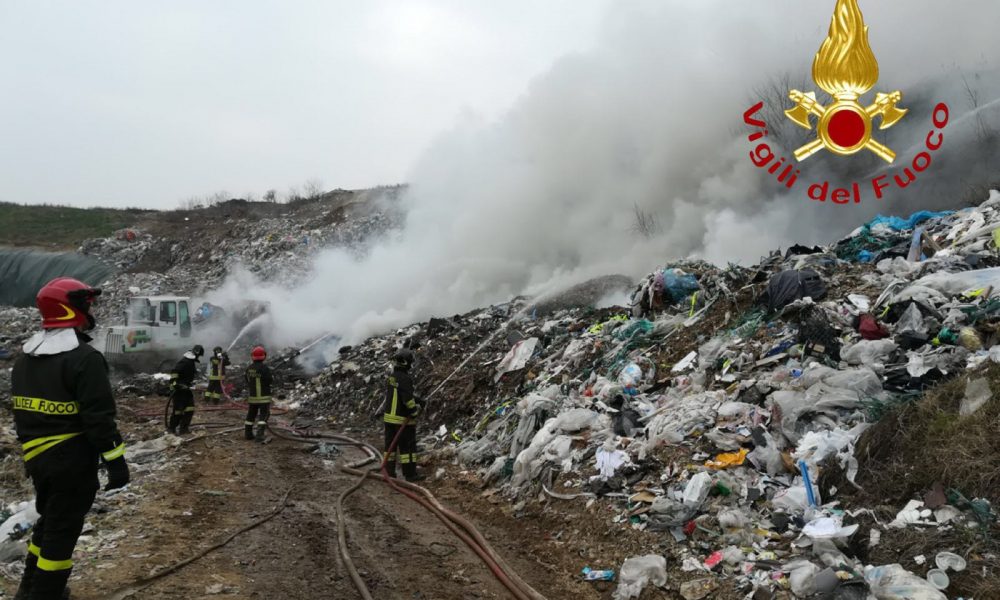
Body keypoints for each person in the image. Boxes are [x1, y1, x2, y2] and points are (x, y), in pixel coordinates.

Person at [10, 277, 130, 600]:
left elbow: (23, 416)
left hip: (38, 461)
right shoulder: (84, 359)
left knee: (49, 523)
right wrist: (116, 462)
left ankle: (27, 590)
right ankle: (45, 594)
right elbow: (99, 419)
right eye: (86, 304)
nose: (90, 310)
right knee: (61, 536)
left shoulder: (25, 361)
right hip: (72, 465)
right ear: (71, 308)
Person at [382, 348, 426, 482]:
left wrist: (418, 400)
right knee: (408, 449)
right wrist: (414, 411)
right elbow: (407, 399)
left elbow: (401, 393)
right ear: (406, 362)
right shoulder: (405, 378)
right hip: (401, 420)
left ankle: (389, 472)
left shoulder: (393, 376)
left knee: (390, 448)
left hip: (389, 419)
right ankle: (410, 474)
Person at [168, 345, 203, 434]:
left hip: (186, 390)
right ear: (196, 353)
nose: (198, 357)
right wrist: (177, 384)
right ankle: (172, 429)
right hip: (178, 391)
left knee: (190, 408)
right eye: (199, 355)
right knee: (178, 411)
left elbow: (186, 375)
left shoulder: (190, 362)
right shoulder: (185, 361)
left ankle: (183, 429)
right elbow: (174, 372)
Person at [244, 346, 272, 442]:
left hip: (253, 397)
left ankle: (248, 434)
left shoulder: (249, 368)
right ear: (264, 356)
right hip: (263, 397)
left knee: (251, 415)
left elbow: (247, 380)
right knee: (264, 415)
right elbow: (269, 381)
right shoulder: (265, 368)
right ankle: (259, 435)